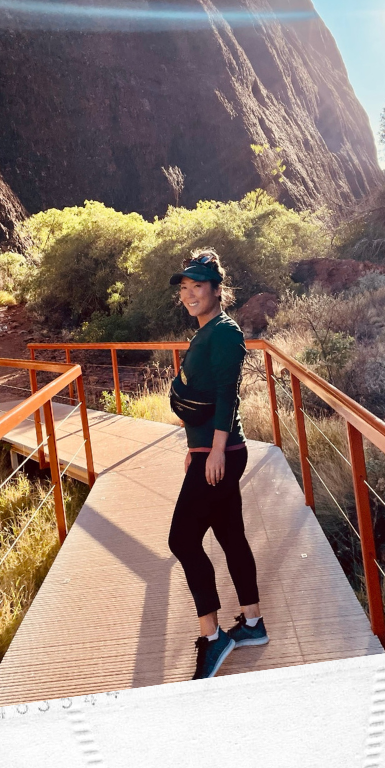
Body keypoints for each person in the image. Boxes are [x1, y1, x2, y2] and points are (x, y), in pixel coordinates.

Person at [165, 250, 268, 680]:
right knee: (230, 536)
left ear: (217, 290)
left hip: (221, 453)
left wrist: (217, 451)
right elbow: (204, 397)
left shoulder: (224, 333)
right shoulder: (206, 331)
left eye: (198, 287)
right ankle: (253, 623)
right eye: (185, 289)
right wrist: (197, 446)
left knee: (182, 540)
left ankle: (213, 637)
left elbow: (228, 394)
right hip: (210, 449)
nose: (190, 295)